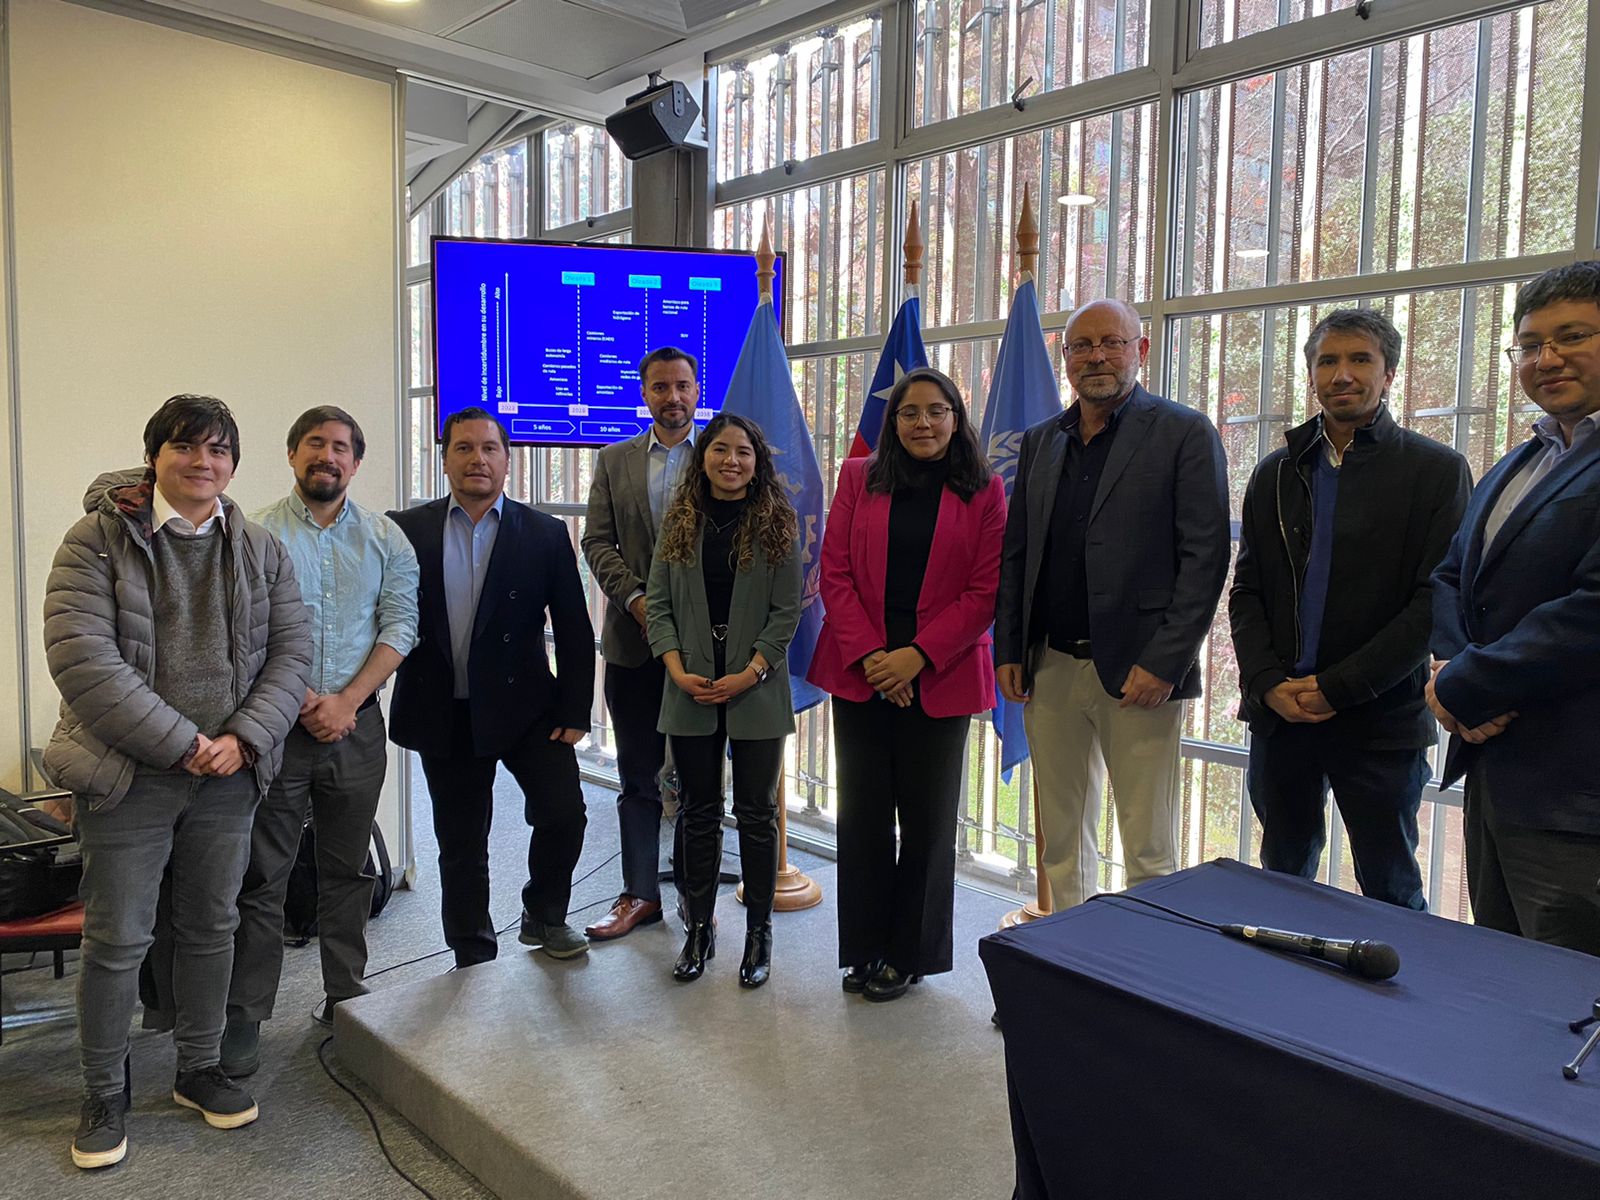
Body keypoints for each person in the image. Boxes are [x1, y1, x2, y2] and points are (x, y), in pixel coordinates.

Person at [42, 395, 311, 1169]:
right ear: (154, 455)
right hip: (128, 776)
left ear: (234, 463)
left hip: (228, 778)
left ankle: (198, 1069)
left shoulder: (259, 547)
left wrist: (243, 739)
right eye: (187, 447)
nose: (204, 462)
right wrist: (184, 743)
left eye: (219, 450)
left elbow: (291, 653)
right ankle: (103, 1092)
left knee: (210, 928)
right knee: (118, 938)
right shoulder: (94, 542)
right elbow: (83, 659)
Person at [1230, 309, 1470, 909]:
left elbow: (1433, 600)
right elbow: (1248, 590)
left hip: (1380, 719)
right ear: (1311, 374)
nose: (1342, 374)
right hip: (1283, 716)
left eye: (1360, 359)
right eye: (1328, 361)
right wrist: (1266, 683)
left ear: (1389, 373)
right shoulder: (1275, 472)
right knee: (1281, 878)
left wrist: (1339, 687)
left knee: (1390, 887)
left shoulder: (1436, 471)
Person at [994, 299, 1230, 909]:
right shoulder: (1043, 441)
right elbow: (1018, 553)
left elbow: (1205, 559)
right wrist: (1009, 648)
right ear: (1066, 357)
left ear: (1140, 350)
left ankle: (1142, 965)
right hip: (1049, 666)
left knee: (1148, 849)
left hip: (1140, 673)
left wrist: (1166, 663)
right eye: (1082, 345)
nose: (1096, 356)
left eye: (1112, 343)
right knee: (1062, 843)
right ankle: (1072, 957)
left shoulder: (1184, 433)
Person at [216, 407, 418, 1077]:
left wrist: (346, 702)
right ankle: (246, 1016)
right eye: (314, 444)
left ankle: (346, 997)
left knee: (348, 871)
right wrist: (303, 701)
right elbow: (244, 634)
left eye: (340, 447)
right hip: (274, 728)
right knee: (263, 875)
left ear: (355, 463)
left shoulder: (386, 539)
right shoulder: (254, 534)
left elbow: (401, 626)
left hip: (356, 727)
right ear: (291, 454)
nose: (327, 455)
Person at [809, 367, 1006, 1001]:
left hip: (940, 675)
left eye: (936, 411)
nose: (923, 423)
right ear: (892, 421)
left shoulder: (986, 490)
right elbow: (834, 572)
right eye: (909, 412)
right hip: (862, 671)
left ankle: (910, 954)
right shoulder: (857, 477)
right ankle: (866, 947)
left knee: (927, 824)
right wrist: (875, 657)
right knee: (862, 818)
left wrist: (916, 658)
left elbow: (985, 592)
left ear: (956, 418)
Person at [1430, 260, 1600, 953]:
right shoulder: (1522, 460)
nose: (1546, 358)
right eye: (1530, 345)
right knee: (1500, 980)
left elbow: (1591, 613)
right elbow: (1450, 574)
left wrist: (1466, 684)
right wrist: (1448, 670)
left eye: (1572, 337)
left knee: (1569, 998)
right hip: (1496, 775)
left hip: (1577, 798)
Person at [387, 408, 594, 967]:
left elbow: (574, 627)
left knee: (564, 814)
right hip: (444, 709)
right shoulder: (405, 530)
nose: (477, 459)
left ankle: (544, 913)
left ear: (507, 460)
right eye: (463, 448)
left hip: (528, 707)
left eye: (489, 448)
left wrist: (576, 709)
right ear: (445, 459)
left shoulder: (544, 533)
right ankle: (473, 951)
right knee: (461, 843)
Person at [645, 412, 801, 988]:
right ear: (703, 457)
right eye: (720, 450)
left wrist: (751, 673)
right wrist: (675, 669)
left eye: (743, 452)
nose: (731, 461)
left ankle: (759, 932)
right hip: (688, 684)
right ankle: (699, 929)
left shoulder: (777, 522)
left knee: (757, 815)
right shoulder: (680, 520)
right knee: (698, 812)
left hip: (756, 687)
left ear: (757, 463)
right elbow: (658, 604)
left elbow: (786, 612)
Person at [580, 346, 699, 940]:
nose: (671, 397)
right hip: (634, 642)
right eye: (660, 387)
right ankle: (641, 893)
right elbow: (596, 541)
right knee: (638, 776)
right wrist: (635, 600)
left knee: (699, 779)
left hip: (705, 650)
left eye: (681, 385)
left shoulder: (723, 455)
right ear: (645, 393)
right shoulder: (614, 460)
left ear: (696, 391)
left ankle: (696, 895)